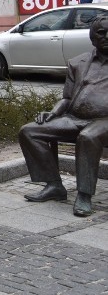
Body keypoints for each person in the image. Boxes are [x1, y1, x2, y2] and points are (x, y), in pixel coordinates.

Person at [18, 15, 108, 217]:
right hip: (75, 118)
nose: (107, 36)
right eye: (101, 32)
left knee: (88, 137)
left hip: (105, 122)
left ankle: (84, 195)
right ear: (92, 36)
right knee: (30, 131)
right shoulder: (78, 63)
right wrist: (53, 112)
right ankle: (54, 186)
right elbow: (67, 98)